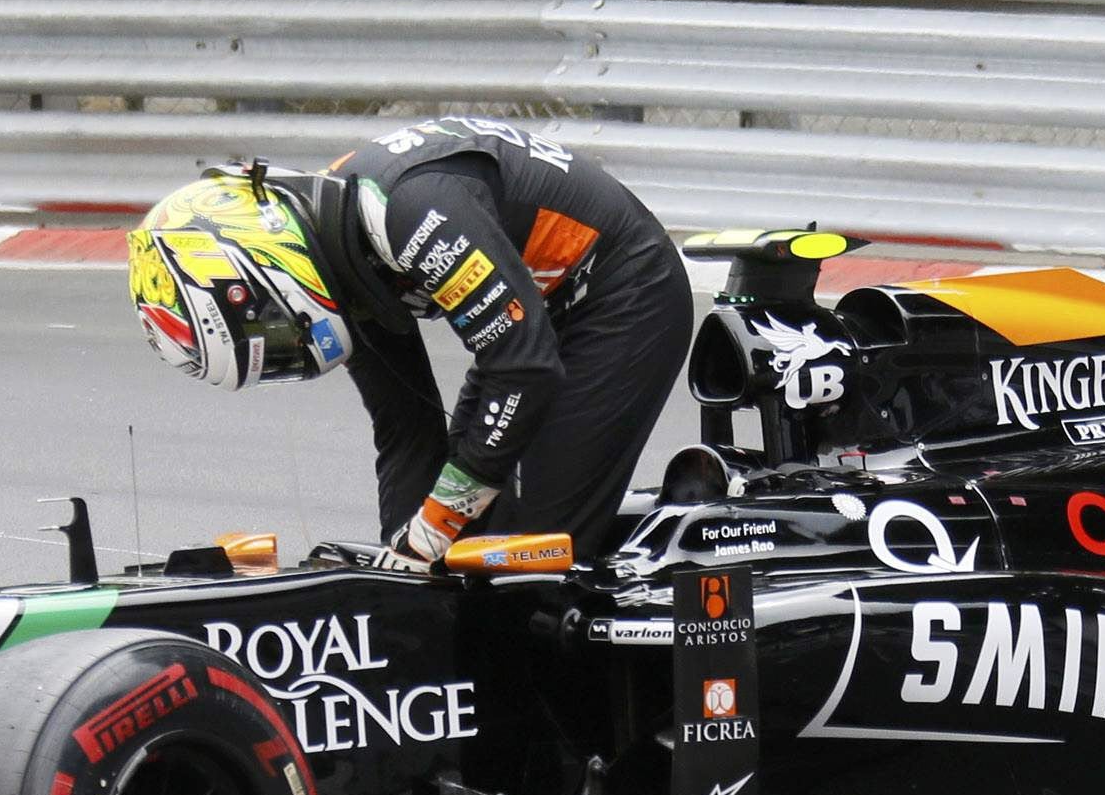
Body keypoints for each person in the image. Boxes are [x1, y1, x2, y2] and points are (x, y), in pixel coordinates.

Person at [128, 117, 695, 564]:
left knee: (527, 549)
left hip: (625, 291)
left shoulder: (409, 212)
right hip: (536, 321)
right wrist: (403, 562)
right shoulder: (338, 251)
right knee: (460, 531)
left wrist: (435, 529)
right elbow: (405, 426)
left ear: (274, 273)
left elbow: (523, 371)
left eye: (270, 335)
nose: (286, 355)